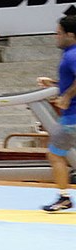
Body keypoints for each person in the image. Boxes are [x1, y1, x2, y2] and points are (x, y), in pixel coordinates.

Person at [37, 15, 76, 212]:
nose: (56, 37)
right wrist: (54, 83)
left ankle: (64, 197)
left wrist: (67, 96)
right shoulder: (70, 54)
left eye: (59, 33)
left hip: (73, 116)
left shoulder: (72, 55)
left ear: (71, 35)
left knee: (55, 155)